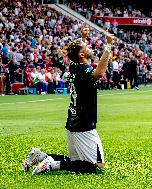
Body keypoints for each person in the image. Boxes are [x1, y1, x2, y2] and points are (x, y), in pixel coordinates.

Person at [22, 30, 114, 175]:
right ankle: (52, 164)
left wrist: (82, 38)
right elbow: (100, 73)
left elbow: (75, 51)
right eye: (86, 46)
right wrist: (108, 45)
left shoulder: (74, 66)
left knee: (75, 162)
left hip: (72, 122)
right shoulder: (84, 70)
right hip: (84, 125)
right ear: (82, 55)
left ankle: (39, 156)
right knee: (96, 167)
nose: (89, 47)